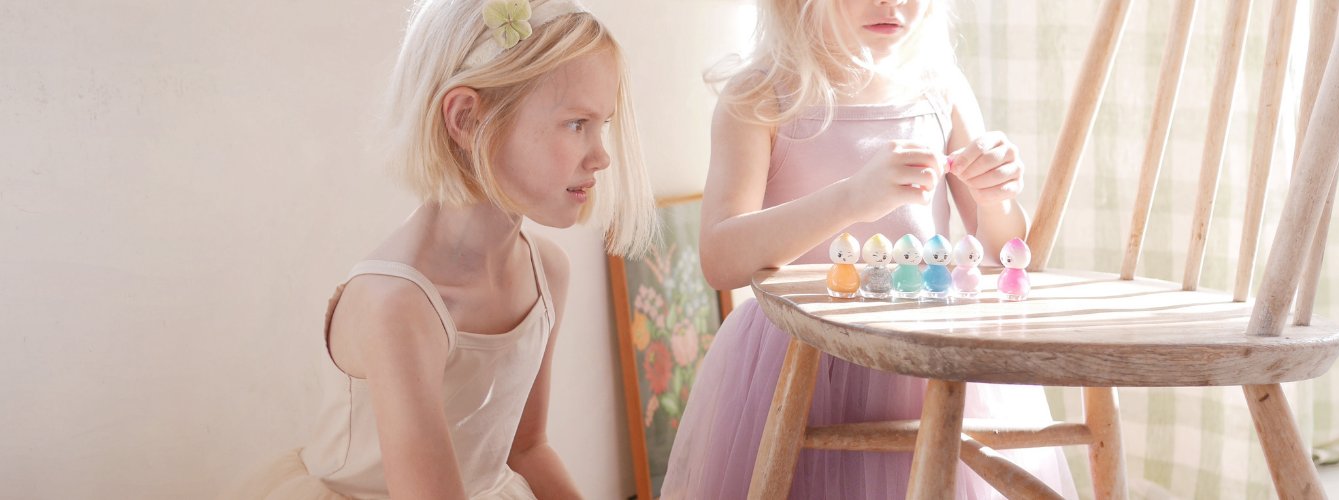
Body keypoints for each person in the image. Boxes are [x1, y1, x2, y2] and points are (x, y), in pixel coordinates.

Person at [220, 0, 654, 498]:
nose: (601, 155)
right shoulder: (398, 307)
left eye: (604, 124)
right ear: (467, 119)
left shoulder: (547, 272)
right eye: (577, 123)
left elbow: (527, 449)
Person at [661, 0, 1075, 497]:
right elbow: (720, 259)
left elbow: (999, 246)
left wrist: (996, 195)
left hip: (927, 356)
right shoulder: (762, 96)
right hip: (805, 359)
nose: (891, 2)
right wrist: (852, 198)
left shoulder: (939, 87)